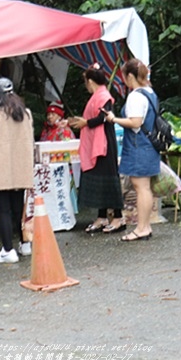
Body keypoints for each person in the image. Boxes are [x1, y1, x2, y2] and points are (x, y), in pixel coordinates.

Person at [103, 58, 161, 242]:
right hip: (149, 145)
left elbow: (135, 122)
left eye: (124, 77)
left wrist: (113, 119)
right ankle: (145, 226)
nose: (124, 80)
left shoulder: (136, 96)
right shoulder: (150, 92)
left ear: (130, 76)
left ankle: (142, 228)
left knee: (141, 188)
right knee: (145, 188)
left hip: (138, 146)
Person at [0, 77, 34, 263]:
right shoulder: (26, 113)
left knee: (3, 210)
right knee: (19, 208)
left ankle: (7, 250)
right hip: (21, 166)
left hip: (1, 167)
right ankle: (25, 245)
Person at [68, 64, 124, 234]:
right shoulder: (97, 96)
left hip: (104, 143)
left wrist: (86, 123)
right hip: (97, 142)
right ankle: (101, 216)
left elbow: (104, 117)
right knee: (99, 179)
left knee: (108, 179)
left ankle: (118, 217)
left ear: (90, 81)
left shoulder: (104, 96)